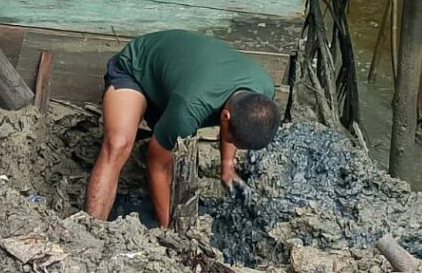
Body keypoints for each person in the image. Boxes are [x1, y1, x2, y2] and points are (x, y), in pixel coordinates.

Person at [84, 29, 282, 227]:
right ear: (225, 116)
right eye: (231, 140)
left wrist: (227, 167)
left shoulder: (263, 92)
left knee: (176, 149)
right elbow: (156, 166)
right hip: (137, 69)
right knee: (117, 144)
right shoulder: (189, 109)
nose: (230, 141)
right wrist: (168, 228)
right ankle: (90, 228)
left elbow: (236, 120)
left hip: (176, 84)